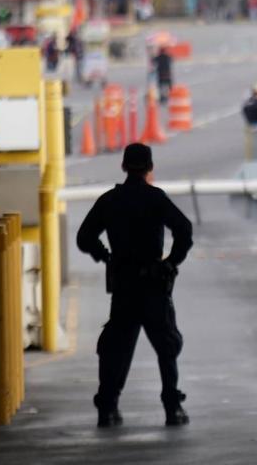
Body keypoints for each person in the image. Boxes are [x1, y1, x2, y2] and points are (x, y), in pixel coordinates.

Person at [76, 143, 193, 428]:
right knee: (166, 347)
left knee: (116, 348)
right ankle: (172, 408)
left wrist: (106, 257)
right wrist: (170, 262)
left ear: (124, 167)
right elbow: (184, 229)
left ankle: (108, 407)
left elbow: (84, 237)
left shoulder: (110, 200)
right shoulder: (156, 199)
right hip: (154, 284)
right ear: (149, 168)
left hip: (124, 287)